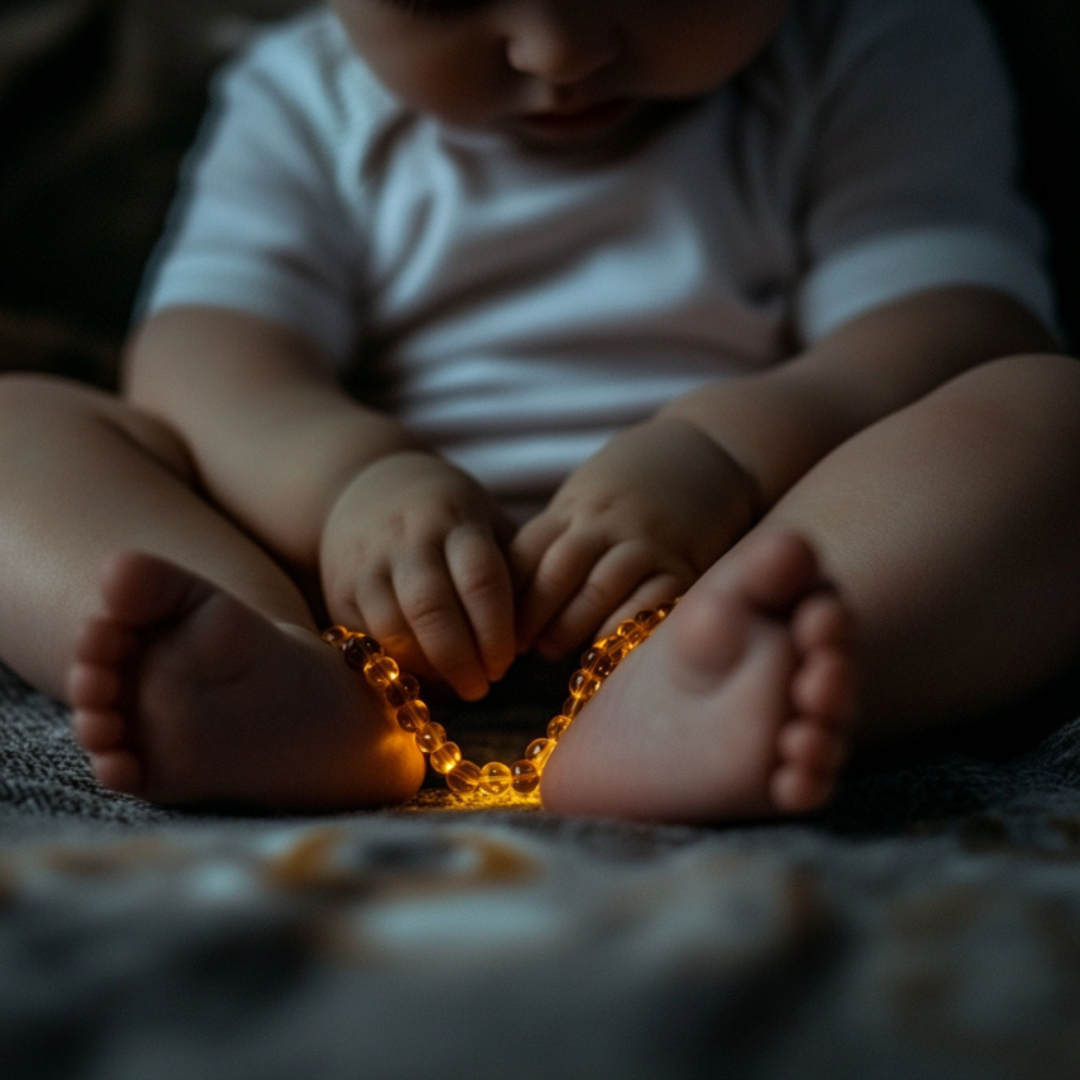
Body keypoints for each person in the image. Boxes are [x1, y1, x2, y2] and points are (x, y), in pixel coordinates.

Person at [1, 0, 1078, 821]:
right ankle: (267, 677)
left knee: (1049, 410)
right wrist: (347, 480)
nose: (557, 53)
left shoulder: (871, 42)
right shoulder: (302, 94)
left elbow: (953, 320)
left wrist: (729, 450)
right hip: (339, 591)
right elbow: (207, 354)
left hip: (755, 563)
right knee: (24, 426)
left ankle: (720, 691)